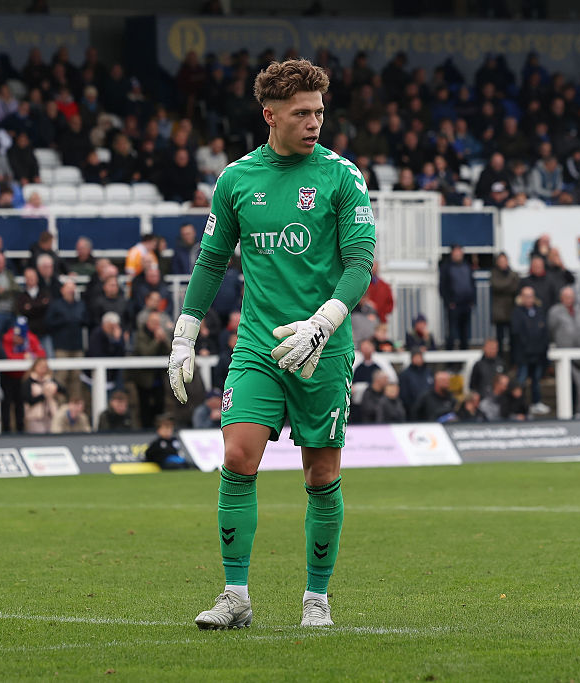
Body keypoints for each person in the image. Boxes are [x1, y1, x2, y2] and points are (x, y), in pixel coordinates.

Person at [166, 60, 376, 629]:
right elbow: (212, 259)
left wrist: (323, 323)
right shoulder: (236, 180)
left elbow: (360, 262)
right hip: (258, 345)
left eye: (319, 112)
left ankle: (317, 599)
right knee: (238, 456)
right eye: (302, 113)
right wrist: (185, 331)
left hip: (323, 346)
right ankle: (235, 595)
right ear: (270, 115)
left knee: (321, 475)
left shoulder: (342, 176)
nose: (314, 122)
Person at [511, 285, 551, 415]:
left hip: (538, 354)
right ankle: (519, 406)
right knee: (521, 380)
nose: (529, 299)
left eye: (531, 296)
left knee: (536, 381)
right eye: (526, 296)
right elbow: (517, 334)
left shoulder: (539, 311)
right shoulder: (517, 313)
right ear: (521, 297)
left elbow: (544, 332)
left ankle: (536, 403)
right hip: (523, 354)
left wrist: (541, 349)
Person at [439, 244, 476, 350]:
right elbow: (442, 286)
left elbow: (472, 284)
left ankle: (464, 353)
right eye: (456, 252)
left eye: (460, 252)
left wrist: (473, 300)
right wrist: (449, 302)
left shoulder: (467, 266)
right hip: (454, 305)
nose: (458, 254)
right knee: (452, 331)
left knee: (465, 331)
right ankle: (450, 356)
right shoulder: (446, 267)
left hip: (466, 304)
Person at [489, 252, 519, 356]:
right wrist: (510, 281)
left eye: (504, 260)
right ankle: (500, 359)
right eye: (500, 261)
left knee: (513, 338)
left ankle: (513, 360)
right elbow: (498, 286)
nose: (503, 263)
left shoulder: (513, 274)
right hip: (499, 313)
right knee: (500, 338)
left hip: (511, 311)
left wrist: (507, 286)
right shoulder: (495, 274)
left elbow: (515, 288)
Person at [22, 358, 62, 433]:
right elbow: (28, 400)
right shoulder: (29, 381)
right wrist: (44, 395)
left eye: (45, 366)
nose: (43, 368)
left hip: (50, 415)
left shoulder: (49, 379)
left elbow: (62, 390)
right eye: (40, 366)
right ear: (35, 366)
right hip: (35, 417)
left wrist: (55, 389)